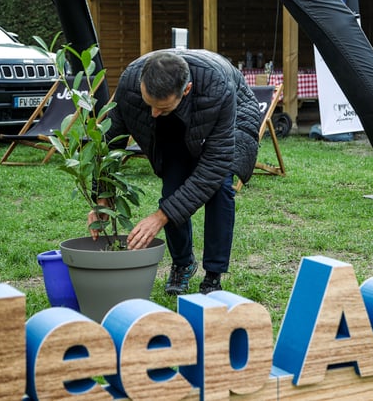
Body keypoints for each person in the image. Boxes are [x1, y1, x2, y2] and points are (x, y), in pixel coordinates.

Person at [88, 49, 261, 295]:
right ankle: (182, 264)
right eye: (150, 105)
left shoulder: (217, 88)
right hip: (175, 124)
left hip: (231, 117)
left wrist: (160, 217)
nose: (154, 113)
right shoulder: (131, 86)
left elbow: (214, 166)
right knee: (172, 191)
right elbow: (109, 142)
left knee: (220, 190)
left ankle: (213, 276)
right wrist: (102, 198)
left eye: (162, 108)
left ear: (186, 90)